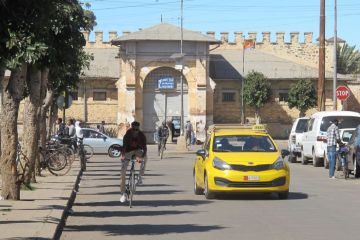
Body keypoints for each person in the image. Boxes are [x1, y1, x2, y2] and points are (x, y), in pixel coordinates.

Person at [120, 121, 147, 203]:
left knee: (145, 158)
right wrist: (123, 155)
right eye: (134, 129)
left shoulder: (141, 135)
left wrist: (141, 157)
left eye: (137, 130)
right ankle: (123, 193)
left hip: (138, 151)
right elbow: (124, 146)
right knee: (122, 173)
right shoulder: (127, 135)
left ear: (138, 129)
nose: (135, 131)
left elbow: (145, 148)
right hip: (128, 152)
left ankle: (140, 176)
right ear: (131, 128)